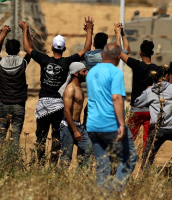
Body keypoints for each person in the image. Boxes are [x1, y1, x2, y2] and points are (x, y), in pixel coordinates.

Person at [20, 18, 94, 165]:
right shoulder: (67, 62)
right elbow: (86, 50)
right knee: (56, 137)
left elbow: (28, 49)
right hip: (59, 106)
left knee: (40, 136)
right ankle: (53, 165)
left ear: (52, 48)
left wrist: (24, 30)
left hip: (43, 105)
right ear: (64, 49)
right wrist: (89, 30)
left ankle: (40, 163)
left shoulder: (44, 59)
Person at [86, 43, 138, 192]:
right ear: (118, 57)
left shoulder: (91, 72)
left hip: (93, 125)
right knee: (129, 159)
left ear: (102, 55)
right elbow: (116, 98)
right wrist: (121, 124)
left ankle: (101, 194)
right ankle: (113, 193)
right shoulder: (115, 73)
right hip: (110, 124)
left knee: (103, 164)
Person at [134, 65, 172, 169]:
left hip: (158, 130)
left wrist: (147, 94)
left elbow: (137, 103)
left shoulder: (150, 91)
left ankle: (144, 174)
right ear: (167, 76)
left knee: (148, 155)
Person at [115, 23, 159, 150]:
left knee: (128, 139)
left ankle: (122, 160)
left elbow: (119, 52)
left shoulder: (136, 65)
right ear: (152, 53)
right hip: (150, 110)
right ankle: (144, 165)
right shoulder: (157, 69)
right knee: (147, 142)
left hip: (136, 109)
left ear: (140, 52)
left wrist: (119, 33)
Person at [0, 35, 31, 152]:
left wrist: (3, 34)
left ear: (6, 50)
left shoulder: (0, 63)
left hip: (4, 105)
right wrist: (26, 31)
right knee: (15, 137)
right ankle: (12, 161)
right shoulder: (22, 63)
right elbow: (29, 51)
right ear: (19, 50)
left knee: (0, 135)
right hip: (19, 105)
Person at [59, 62, 92, 168]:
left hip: (78, 126)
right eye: (84, 71)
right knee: (66, 158)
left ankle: (80, 176)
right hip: (69, 127)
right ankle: (59, 181)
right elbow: (66, 111)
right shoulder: (70, 88)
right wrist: (75, 130)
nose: (86, 73)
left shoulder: (79, 88)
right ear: (76, 73)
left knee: (89, 149)